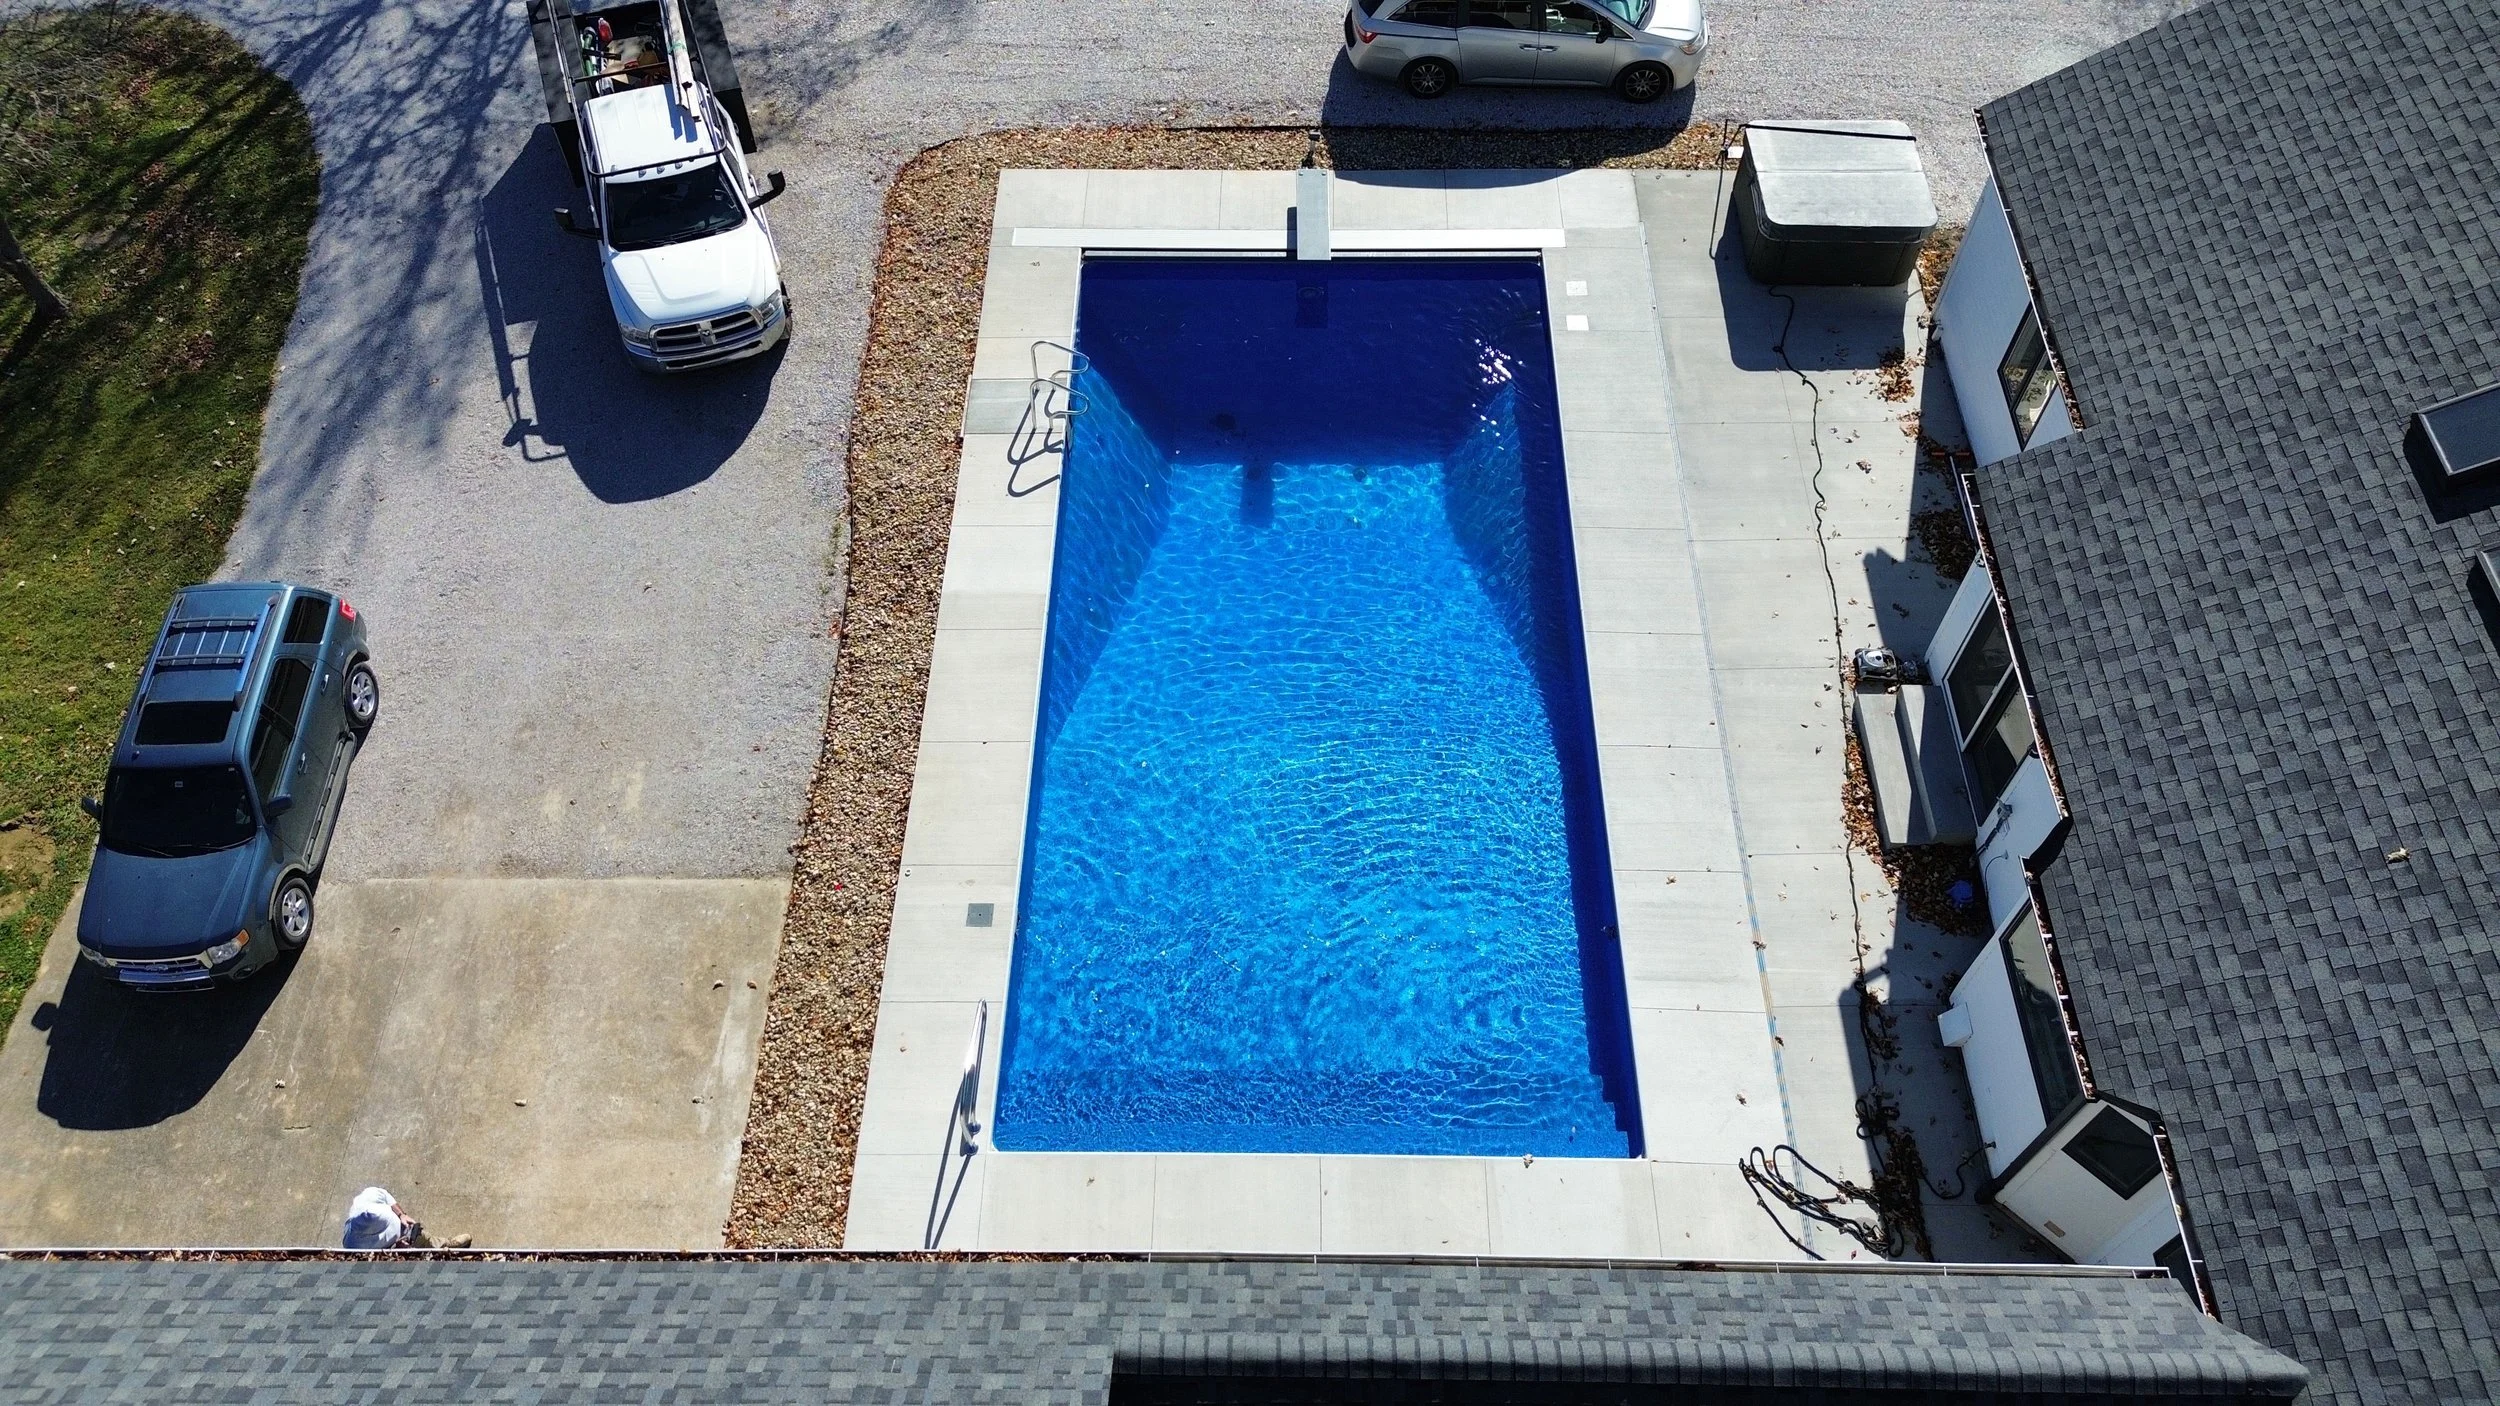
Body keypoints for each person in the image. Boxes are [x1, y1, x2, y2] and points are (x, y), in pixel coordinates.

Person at [342, 1186, 419, 1249]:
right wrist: (397, 1248)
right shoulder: (352, 1244)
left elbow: (385, 1196)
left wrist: (401, 1214)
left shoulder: (369, 1196)